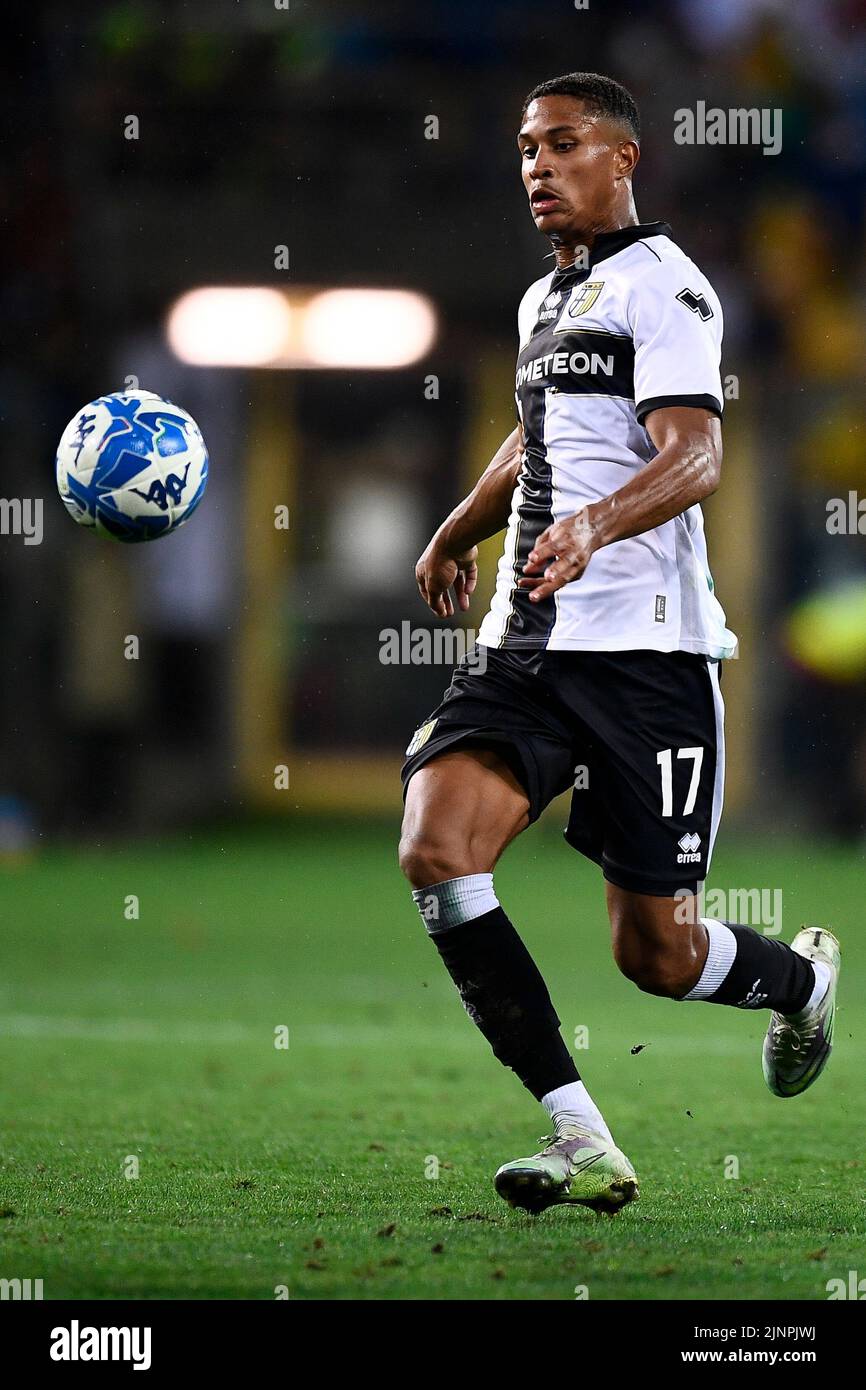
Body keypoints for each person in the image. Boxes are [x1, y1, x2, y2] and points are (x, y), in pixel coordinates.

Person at [398, 72, 840, 1215]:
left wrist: (595, 521)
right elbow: (535, 431)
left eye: (561, 144)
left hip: (646, 659)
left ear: (623, 158)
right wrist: (461, 522)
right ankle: (578, 1131)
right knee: (438, 849)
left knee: (654, 955)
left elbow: (693, 453)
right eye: (524, 150)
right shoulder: (541, 304)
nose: (536, 167)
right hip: (527, 644)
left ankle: (801, 983)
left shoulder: (667, 287)